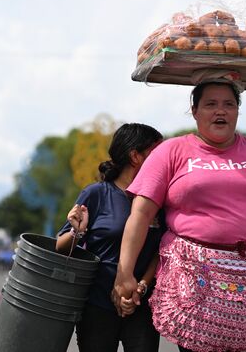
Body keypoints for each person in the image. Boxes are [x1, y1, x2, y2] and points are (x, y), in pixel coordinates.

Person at [113, 72, 246, 352]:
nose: (220, 110)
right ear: (194, 111)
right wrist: (125, 272)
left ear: (238, 111)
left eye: (229, 104)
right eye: (210, 104)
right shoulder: (172, 151)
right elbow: (141, 215)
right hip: (195, 280)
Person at [55, 123, 164, 352]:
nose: (164, 160)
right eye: (156, 153)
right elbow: (61, 247)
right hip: (97, 306)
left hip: (141, 306)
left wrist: (141, 287)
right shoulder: (96, 193)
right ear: (135, 156)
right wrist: (78, 231)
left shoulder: (159, 200)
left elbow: (161, 251)